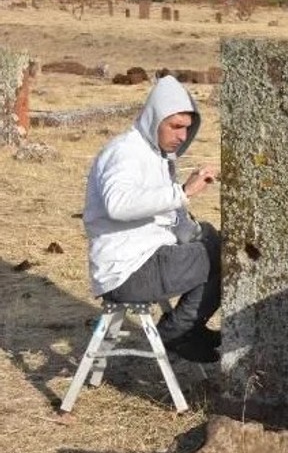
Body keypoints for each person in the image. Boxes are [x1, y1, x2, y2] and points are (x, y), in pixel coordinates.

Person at [83, 75, 221, 363]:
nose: (182, 136)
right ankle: (177, 332)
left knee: (209, 237)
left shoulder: (154, 153)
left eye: (187, 128)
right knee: (223, 255)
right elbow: (118, 205)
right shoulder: (125, 152)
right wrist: (183, 191)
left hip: (144, 257)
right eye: (175, 126)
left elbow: (163, 213)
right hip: (127, 271)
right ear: (154, 119)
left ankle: (189, 327)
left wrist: (191, 225)